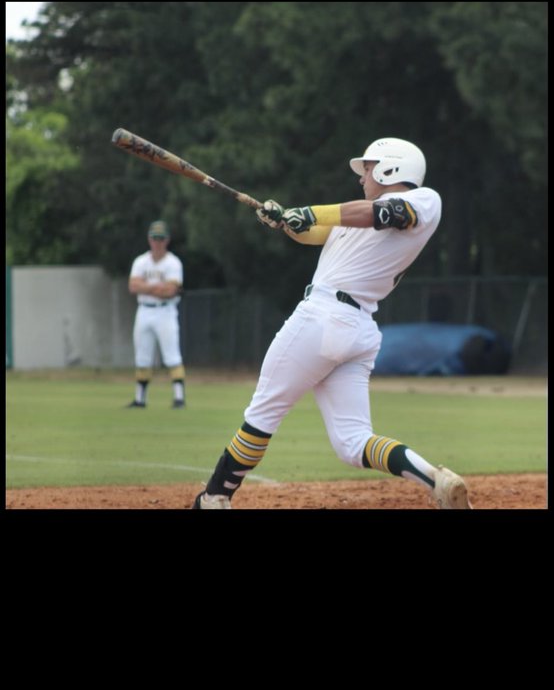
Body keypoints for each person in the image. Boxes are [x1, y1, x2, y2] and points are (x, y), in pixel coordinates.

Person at [192, 137, 472, 509]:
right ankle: (435, 479)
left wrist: (310, 210)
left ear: (392, 167)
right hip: (355, 330)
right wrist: (283, 220)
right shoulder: (362, 214)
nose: (362, 177)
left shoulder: (422, 200)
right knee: (353, 442)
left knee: (262, 413)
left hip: (323, 318)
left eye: (369, 168)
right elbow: (316, 230)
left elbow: (378, 213)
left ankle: (214, 498)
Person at [126, 220, 186, 409]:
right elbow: (133, 286)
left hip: (165, 311)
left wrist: (146, 287)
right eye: (154, 238)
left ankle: (179, 397)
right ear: (149, 239)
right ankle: (140, 399)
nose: (157, 242)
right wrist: (157, 287)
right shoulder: (141, 261)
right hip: (144, 310)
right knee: (142, 356)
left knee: (172, 355)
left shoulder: (173, 262)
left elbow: (171, 291)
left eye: (160, 238)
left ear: (167, 240)